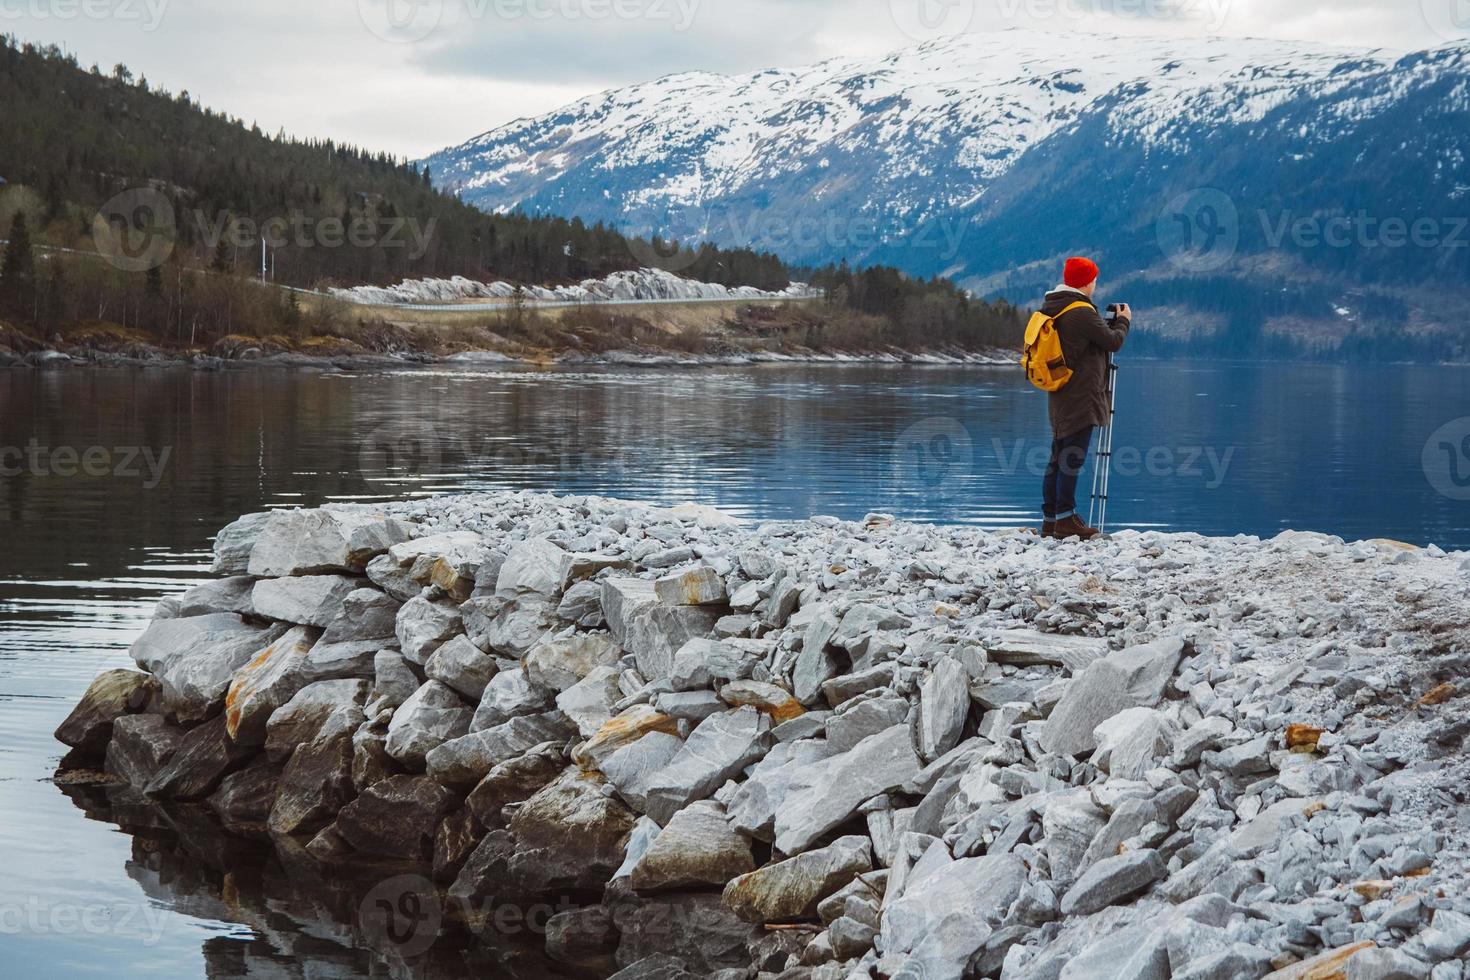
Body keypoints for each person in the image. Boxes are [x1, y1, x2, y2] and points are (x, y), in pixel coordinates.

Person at [1039, 257, 1130, 541]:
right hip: (1081, 397)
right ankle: (1066, 519)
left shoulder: (1055, 306)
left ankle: (1051, 520)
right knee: (1071, 457)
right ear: (1086, 281)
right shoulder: (1080, 311)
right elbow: (1112, 341)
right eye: (1094, 279)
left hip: (1061, 394)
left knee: (1058, 456)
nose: (1095, 284)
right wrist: (1124, 322)